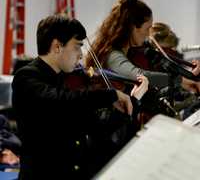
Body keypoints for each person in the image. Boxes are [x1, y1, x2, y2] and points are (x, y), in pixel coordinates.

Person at [11, 14, 149, 179]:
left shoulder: (63, 80)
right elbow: (60, 100)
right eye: (77, 47)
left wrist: (133, 101)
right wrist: (110, 95)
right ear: (57, 46)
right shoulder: (26, 77)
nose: (81, 55)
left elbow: (98, 128)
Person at [85, 0, 200, 115]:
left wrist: (187, 78)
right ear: (133, 28)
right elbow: (141, 76)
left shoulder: (131, 51)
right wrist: (181, 80)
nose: (148, 35)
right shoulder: (112, 55)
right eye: (147, 28)